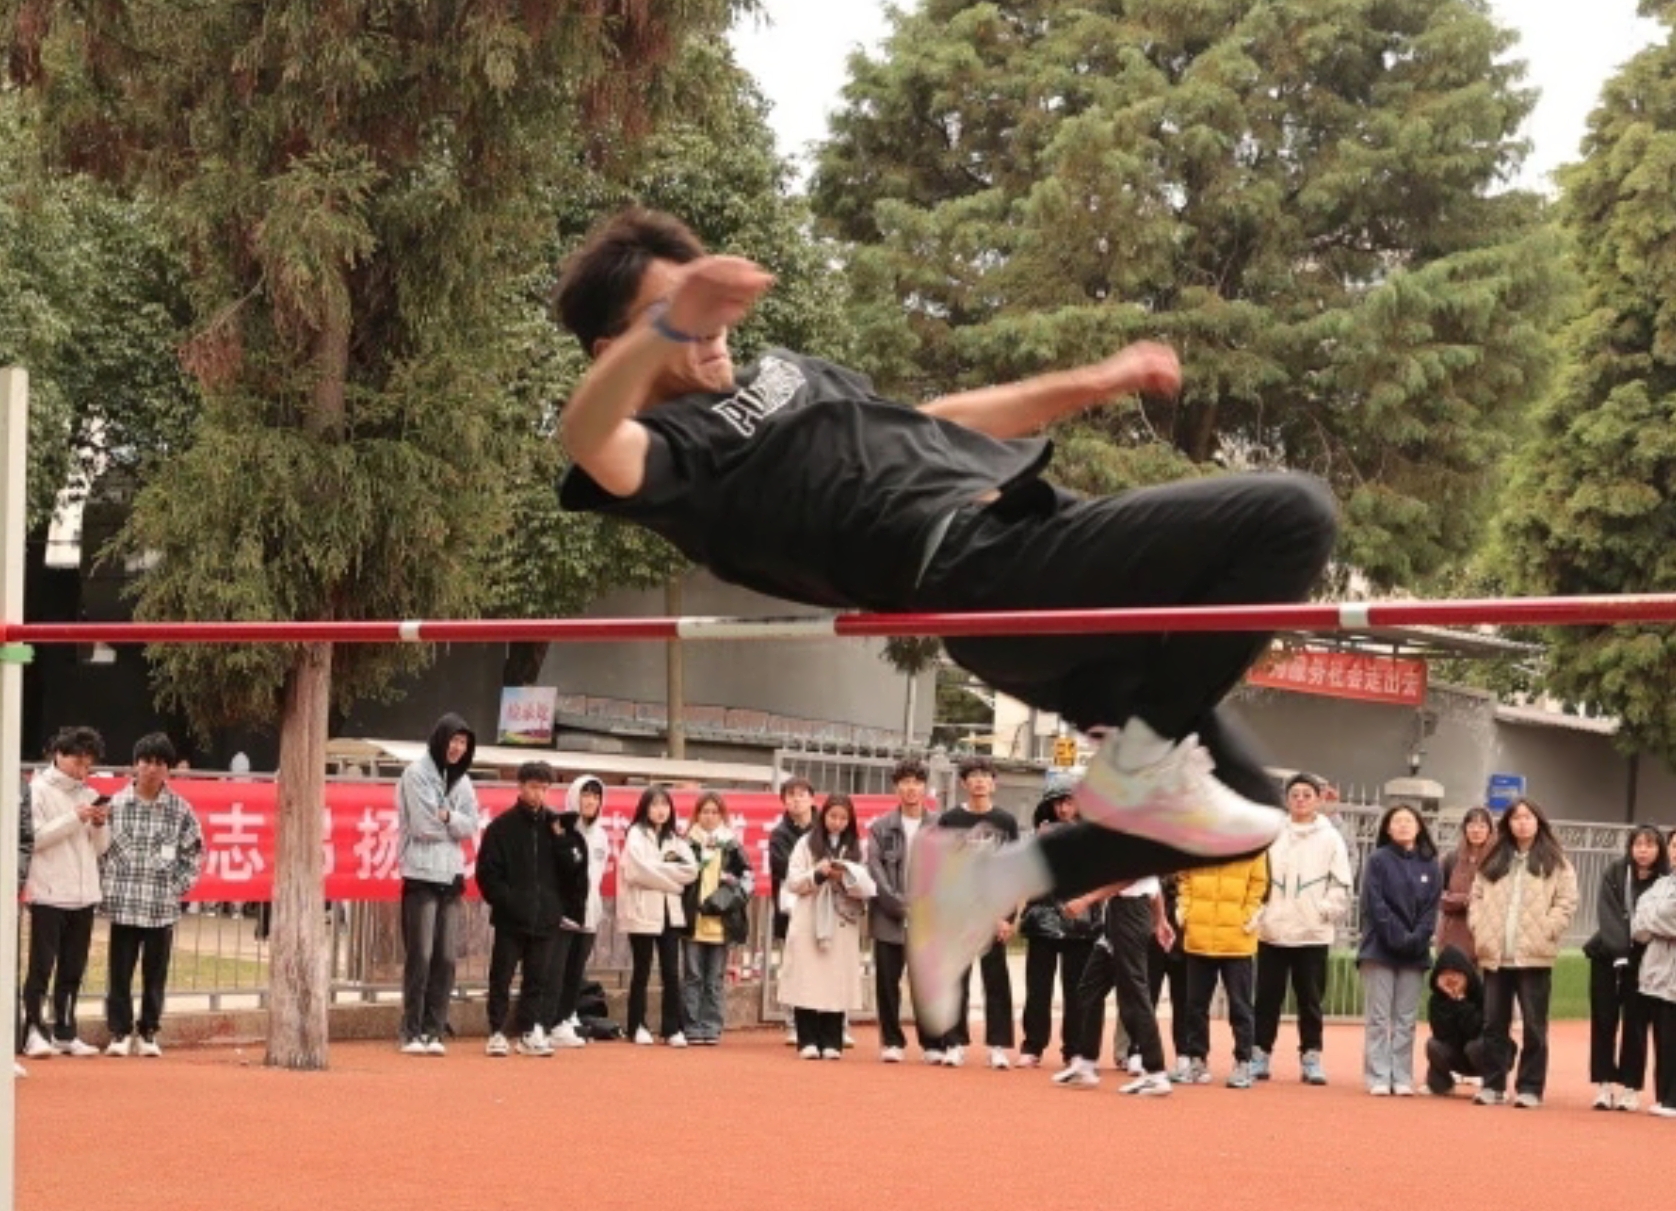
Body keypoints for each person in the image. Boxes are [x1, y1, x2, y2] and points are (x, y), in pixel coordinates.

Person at [550, 209, 1336, 1047]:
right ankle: (1143, 760)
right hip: (989, 567)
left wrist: (1095, 381)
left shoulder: (787, 371)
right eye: (673, 313)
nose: (708, 326)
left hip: (1029, 557)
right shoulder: (669, 453)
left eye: (707, 305)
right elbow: (585, 435)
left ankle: (981, 884)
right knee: (1293, 514)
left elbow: (938, 422)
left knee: (1249, 816)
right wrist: (672, 323)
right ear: (613, 348)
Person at [1470, 798, 1579, 1108]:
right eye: (1516, 817)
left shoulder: (1556, 861)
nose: (1522, 823)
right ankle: (1493, 1085)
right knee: (1493, 1025)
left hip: (1534, 955)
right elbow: (1476, 897)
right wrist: (1479, 927)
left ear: (1538, 822)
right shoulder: (1494, 858)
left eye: (1528, 817)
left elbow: (1567, 901)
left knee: (1534, 1026)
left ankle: (1530, 1087)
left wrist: (1548, 928)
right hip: (1496, 956)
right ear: (1507, 823)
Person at [99, 735, 204, 1056]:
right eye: (145, 761)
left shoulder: (181, 811)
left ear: (168, 769)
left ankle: (148, 1032)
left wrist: (176, 888)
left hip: (161, 907)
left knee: (155, 975)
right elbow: (99, 849)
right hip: (123, 904)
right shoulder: (114, 806)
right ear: (135, 764)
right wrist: (106, 886)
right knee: (119, 973)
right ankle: (119, 1033)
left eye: (159, 763)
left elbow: (194, 854)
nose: (151, 769)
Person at [1253, 775, 1357, 1087]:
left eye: (1307, 794)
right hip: (1272, 930)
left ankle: (1311, 1055)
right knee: (1267, 997)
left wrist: (1325, 910)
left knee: (1310, 999)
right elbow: (1256, 875)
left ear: (1318, 800)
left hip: (1312, 933)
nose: (1300, 799)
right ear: (1287, 800)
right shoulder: (1272, 833)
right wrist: (1261, 912)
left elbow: (1341, 882)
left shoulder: (1330, 838)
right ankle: (1260, 1053)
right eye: (1295, 794)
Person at [921, 761, 1022, 1067]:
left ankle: (998, 1046)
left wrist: (1009, 917)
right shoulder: (950, 820)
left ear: (993, 783)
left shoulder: (1006, 821)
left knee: (996, 980)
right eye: (973, 777)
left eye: (985, 777)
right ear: (964, 783)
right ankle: (954, 1043)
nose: (979, 782)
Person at [395, 713, 486, 1051]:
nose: (457, 747)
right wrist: (452, 825)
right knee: (420, 955)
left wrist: (448, 816)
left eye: (463, 743)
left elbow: (471, 825)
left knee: (446, 958)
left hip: (452, 876)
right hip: (420, 874)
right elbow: (422, 826)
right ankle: (411, 1030)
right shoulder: (416, 774)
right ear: (440, 739)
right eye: (453, 740)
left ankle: (434, 1029)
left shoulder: (464, 782)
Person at [20, 727, 111, 1059]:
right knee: (41, 967)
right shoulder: (37, 790)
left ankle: (66, 1030)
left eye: (88, 764)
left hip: (84, 892)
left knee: (73, 968)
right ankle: (33, 1030)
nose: (82, 770)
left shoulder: (89, 792)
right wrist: (74, 818)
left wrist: (99, 824)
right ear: (59, 754)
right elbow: (34, 838)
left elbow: (100, 848)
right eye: (77, 761)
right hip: (48, 891)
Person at [477, 761, 572, 1058]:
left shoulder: (556, 826)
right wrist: (507, 901)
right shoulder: (501, 827)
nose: (538, 794)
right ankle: (496, 1031)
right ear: (520, 787)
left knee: (537, 978)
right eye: (533, 787)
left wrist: (557, 906)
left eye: (544, 788)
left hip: (546, 917)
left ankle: (530, 1031)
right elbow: (487, 874)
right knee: (501, 976)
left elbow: (570, 870)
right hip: (510, 918)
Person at [1356, 804, 1446, 1098]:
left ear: (1419, 827)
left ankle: (1402, 1075)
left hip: (1415, 953)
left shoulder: (1431, 864)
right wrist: (1396, 935)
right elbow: (1374, 903)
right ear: (1387, 827)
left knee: (1406, 1019)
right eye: (1397, 821)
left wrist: (1416, 937)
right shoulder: (1378, 860)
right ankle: (1378, 1075)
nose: (1403, 825)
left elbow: (1431, 909)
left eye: (1409, 820)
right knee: (1379, 1018)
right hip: (1379, 948)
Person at [779, 791, 874, 1057]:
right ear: (823, 816)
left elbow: (868, 885)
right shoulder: (806, 843)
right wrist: (818, 873)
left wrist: (847, 877)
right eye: (833, 816)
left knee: (836, 979)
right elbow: (793, 881)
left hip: (842, 917)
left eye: (843, 818)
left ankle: (832, 1039)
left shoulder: (856, 847)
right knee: (807, 978)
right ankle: (807, 1039)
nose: (837, 822)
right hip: (810, 915)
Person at [1016, 785, 1102, 1078]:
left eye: (1070, 803)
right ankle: (1032, 1046)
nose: (1064, 809)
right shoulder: (1037, 836)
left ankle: (1074, 1049)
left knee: (1076, 990)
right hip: (1042, 919)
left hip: (1081, 921)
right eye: (1058, 804)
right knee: (1038, 989)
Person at [1168, 849, 1270, 1088]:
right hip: (1199, 937)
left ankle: (1243, 1062)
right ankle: (1197, 1060)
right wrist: (1186, 908)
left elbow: (1259, 884)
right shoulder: (1198, 840)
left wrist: (1247, 915)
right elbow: (1184, 877)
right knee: (1194, 1005)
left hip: (1238, 940)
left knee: (1240, 1006)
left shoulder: (1253, 845)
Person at [1584, 824, 1667, 1111]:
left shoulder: (1666, 878)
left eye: (1650, 845)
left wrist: (1636, 945)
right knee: (1603, 1019)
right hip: (1607, 954)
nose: (1643, 850)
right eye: (1638, 844)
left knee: (1636, 1023)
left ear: (1659, 849)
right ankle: (1603, 1084)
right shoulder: (1616, 871)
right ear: (1630, 847)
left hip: (1644, 959)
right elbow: (1607, 912)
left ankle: (1631, 1087)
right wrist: (1619, 949)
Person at [613, 786, 700, 1045]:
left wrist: (659, 872)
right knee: (641, 970)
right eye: (654, 804)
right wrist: (672, 882)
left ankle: (672, 1028)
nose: (660, 810)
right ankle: (637, 1025)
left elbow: (691, 870)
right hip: (642, 911)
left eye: (665, 804)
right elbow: (636, 871)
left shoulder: (676, 839)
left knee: (671, 972)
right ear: (645, 808)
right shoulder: (636, 835)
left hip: (670, 913)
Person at [864, 763, 932, 1061]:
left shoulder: (940, 826)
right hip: (888, 918)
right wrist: (900, 905)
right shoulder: (881, 828)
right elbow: (875, 870)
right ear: (896, 788)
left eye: (916, 782)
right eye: (905, 782)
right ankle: (892, 1042)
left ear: (925, 787)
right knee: (887, 984)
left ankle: (933, 1043)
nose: (911, 788)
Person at [1103, 874, 1176, 1096]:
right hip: (1124, 910)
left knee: (1136, 994)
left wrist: (1085, 900)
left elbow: (1127, 878)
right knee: (1109, 990)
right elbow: (1154, 883)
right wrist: (1160, 919)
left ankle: (1155, 1071)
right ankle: (1084, 1061)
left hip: (1130, 910)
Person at [682, 793, 746, 1047]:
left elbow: (747, 880)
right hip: (693, 921)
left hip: (721, 922)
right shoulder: (687, 844)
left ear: (722, 816)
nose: (709, 817)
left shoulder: (731, 845)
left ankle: (712, 1026)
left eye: (714, 812)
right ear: (697, 815)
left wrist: (724, 900)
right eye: (705, 812)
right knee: (692, 976)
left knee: (714, 979)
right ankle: (691, 1025)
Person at [551, 774, 605, 1047]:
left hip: (590, 912)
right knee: (558, 968)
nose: (591, 801)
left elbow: (597, 877)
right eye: (586, 795)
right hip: (565, 914)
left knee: (576, 969)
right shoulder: (562, 829)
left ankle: (568, 1014)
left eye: (596, 796)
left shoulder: (602, 835)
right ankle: (553, 1020)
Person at [1630, 855, 1676, 1117]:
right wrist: (1660, 919)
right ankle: (1664, 1096)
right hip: (1658, 974)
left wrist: (1654, 918)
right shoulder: (1660, 885)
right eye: (1675, 846)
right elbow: (1639, 927)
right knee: (1663, 1037)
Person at [1423, 948, 1496, 1099]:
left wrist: (1461, 1002)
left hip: (1486, 1053)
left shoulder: (1483, 994)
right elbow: (1442, 1035)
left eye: (1456, 973)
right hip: (1458, 1053)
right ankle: (1441, 1085)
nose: (1451, 978)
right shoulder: (1436, 1001)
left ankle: (1494, 1086)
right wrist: (1451, 1001)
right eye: (1445, 974)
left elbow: (1478, 1030)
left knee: (1475, 1046)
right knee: (1433, 1045)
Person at [1437, 805, 1498, 966]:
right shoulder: (1451, 859)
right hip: (1453, 936)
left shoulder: (1498, 861)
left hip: (1488, 937)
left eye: (1482, 826)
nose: (1476, 830)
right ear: (1464, 829)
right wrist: (1464, 900)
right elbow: (1436, 895)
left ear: (1490, 830)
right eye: (1472, 825)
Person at [762, 779, 818, 950]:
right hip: (793, 907)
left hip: (823, 905)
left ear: (812, 799)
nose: (796, 799)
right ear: (784, 801)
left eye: (801, 795)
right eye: (791, 795)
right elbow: (786, 871)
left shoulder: (824, 829)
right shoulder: (779, 835)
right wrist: (815, 872)